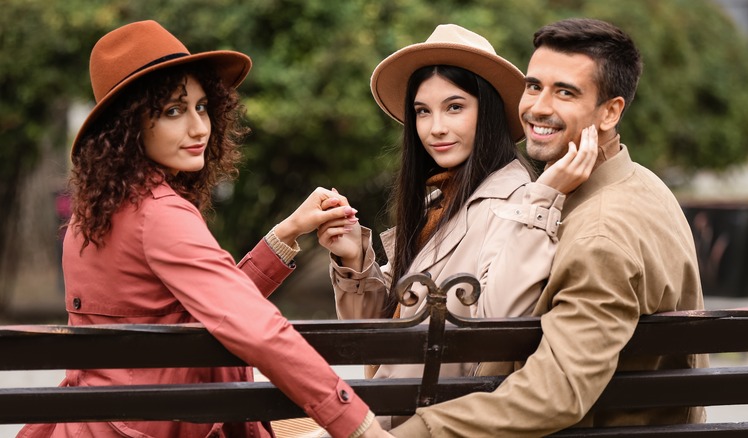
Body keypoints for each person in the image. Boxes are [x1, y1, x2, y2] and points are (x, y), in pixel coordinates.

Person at [16, 20, 390, 438]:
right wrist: (359, 426)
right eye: (173, 111)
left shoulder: (93, 214)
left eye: (201, 106)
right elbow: (256, 328)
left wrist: (287, 233)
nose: (199, 128)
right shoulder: (159, 215)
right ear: (128, 127)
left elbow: (202, 309)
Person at [388, 18, 709, 437]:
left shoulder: (599, 234)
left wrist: (414, 432)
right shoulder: (638, 183)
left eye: (565, 92)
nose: (538, 107)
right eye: (534, 85)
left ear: (611, 111)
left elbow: (556, 394)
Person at [316, 24, 596, 429]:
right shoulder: (440, 200)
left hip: (436, 426)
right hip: (391, 419)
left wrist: (543, 198)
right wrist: (354, 261)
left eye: (454, 107)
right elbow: (379, 338)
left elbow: (498, 328)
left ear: (488, 112)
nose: (435, 128)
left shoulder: (517, 203)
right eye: (422, 111)